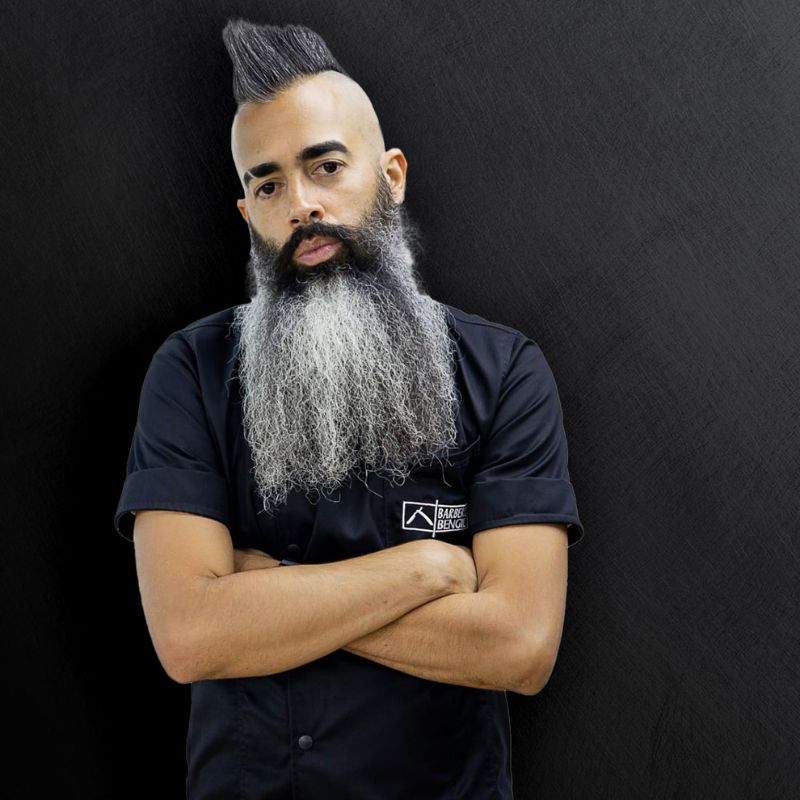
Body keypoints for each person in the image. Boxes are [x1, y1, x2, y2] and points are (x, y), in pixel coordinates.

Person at [113, 18, 584, 800]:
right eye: (268, 185)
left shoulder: (504, 372)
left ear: (391, 176)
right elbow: (190, 637)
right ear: (248, 215)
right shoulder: (191, 371)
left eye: (326, 166)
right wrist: (429, 568)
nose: (302, 204)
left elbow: (520, 648)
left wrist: (268, 592)